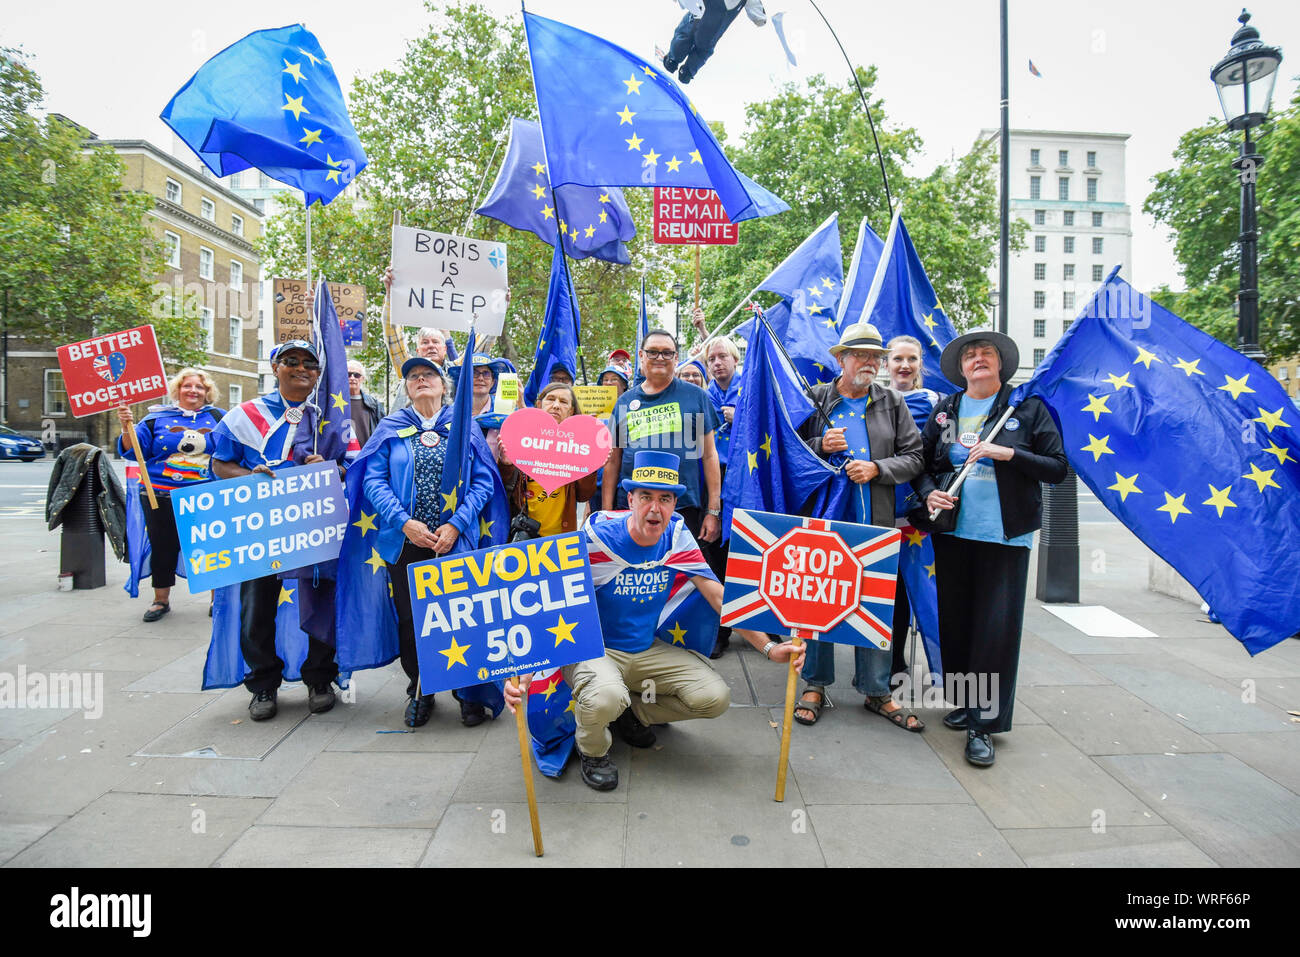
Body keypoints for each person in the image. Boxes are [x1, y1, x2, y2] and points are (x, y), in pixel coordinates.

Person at [503, 450, 805, 791]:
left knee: (713, 697)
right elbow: (552, 604)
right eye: (645, 497)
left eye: (665, 499)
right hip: (594, 651)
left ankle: (631, 713)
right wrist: (522, 675)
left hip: (647, 651)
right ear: (629, 498)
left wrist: (768, 647)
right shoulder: (595, 539)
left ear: (675, 504)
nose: (655, 508)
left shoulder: (677, 538)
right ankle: (594, 750)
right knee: (605, 695)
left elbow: (717, 596)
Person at [913, 331, 1067, 767]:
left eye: (986, 354)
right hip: (953, 534)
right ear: (961, 369)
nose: (978, 359)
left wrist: (1006, 454)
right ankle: (965, 703)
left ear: (1000, 365)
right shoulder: (946, 410)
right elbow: (922, 464)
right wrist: (928, 494)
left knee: (994, 632)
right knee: (958, 625)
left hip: (1004, 538)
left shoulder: (1026, 408)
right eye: (970, 355)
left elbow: (1057, 468)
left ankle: (985, 724)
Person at [793, 322, 925, 731]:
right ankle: (814, 686)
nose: (871, 362)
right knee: (818, 601)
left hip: (875, 522)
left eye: (876, 356)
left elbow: (915, 456)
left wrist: (878, 468)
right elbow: (786, 453)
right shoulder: (815, 399)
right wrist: (818, 446)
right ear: (840, 359)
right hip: (823, 523)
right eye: (862, 355)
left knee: (875, 607)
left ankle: (877, 690)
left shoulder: (891, 402)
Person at [361, 355, 501, 728]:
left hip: (454, 540)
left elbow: (484, 481)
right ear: (406, 388)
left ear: (443, 385)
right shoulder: (391, 427)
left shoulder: (463, 426)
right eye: (413, 377)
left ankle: (468, 693)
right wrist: (404, 522)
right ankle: (420, 690)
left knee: (463, 617)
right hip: (406, 542)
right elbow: (373, 480)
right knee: (412, 620)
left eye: (429, 375)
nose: (421, 380)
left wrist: (456, 524)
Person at [210, 340, 338, 719]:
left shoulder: (329, 417)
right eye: (291, 361)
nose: (301, 368)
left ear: (318, 374)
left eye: (310, 364)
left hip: (314, 525)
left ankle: (320, 678)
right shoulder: (244, 415)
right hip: (260, 527)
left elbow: (351, 464)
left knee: (319, 600)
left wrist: (327, 466)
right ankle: (263, 685)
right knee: (257, 607)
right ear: (275, 367)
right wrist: (251, 475)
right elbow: (220, 465)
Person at [116, 368, 224, 621]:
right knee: (163, 547)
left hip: (205, 496)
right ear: (178, 390)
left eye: (200, 387)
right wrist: (125, 426)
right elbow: (134, 451)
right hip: (159, 495)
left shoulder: (220, 418)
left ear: (207, 392)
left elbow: (232, 449)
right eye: (188, 386)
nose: (193, 391)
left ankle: (216, 599)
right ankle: (160, 600)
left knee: (210, 548)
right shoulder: (155, 419)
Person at [604, 329, 722, 547]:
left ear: (676, 358)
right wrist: (606, 513)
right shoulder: (624, 402)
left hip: (684, 509)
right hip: (632, 510)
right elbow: (613, 460)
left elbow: (709, 455)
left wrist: (713, 511)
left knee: (682, 578)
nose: (660, 358)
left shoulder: (696, 396)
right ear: (641, 356)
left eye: (667, 353)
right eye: (653, 352)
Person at [885, 335, 942, 684]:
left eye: (912, 359)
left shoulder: (937, 404)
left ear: (921, 364)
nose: (904, 365)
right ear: (886, 364)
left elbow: (938, 457)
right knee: (883, 590)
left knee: (916, 591)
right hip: (877, 512)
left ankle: (906, 662)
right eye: (897, 359)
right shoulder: (874, 401)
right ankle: (888, 660)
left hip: (918, 515)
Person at [498, 383, 596, 537]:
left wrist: (591, 464)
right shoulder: (522, 439)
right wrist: (506, 464)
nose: (556, 405)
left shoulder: (577, 448)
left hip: (560, 538)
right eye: (551, 399)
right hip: (522, 536)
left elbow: (584, 495)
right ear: (539, 404)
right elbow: (503, 487)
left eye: (563, 402)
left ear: (571, 411)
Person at [662, 0, 767, 84]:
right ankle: (686, 70)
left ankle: (673, 60)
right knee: (701, 49)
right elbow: (760, 18)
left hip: (700, 18)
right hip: (711, 29)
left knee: (686, 35)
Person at [347, 360, 384, 449]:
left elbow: (383, 431)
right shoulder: (333, 404)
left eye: (357, 375)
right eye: (349, 374)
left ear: (362, 378)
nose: (352, 378)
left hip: (368, 456)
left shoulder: (374, 405)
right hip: (341, 458)